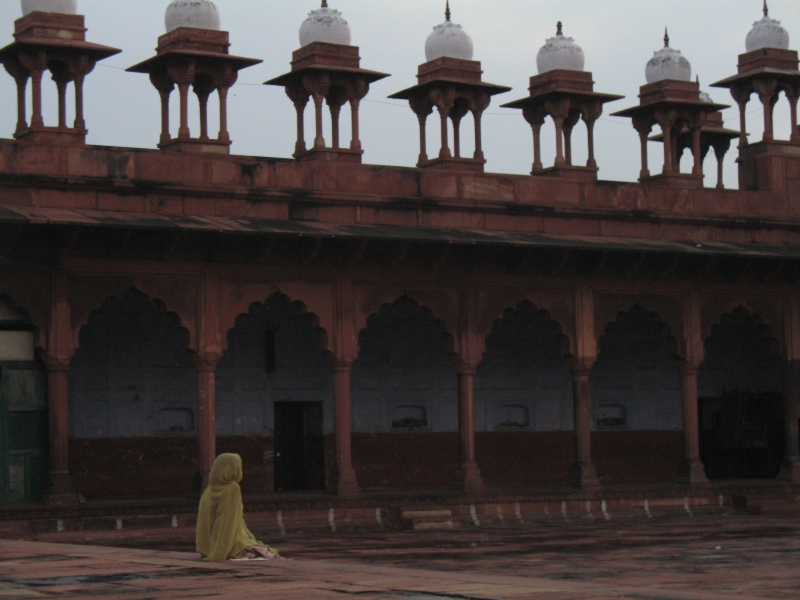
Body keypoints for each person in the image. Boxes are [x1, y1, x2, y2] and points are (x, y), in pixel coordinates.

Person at [196, 453, 280, 561]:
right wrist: (218, 553)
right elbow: (226, 522)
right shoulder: (231, 488)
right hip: (229, 546)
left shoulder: (210, 488)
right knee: (270, 554)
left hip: (208, 548)